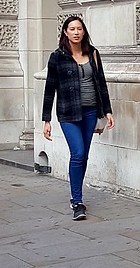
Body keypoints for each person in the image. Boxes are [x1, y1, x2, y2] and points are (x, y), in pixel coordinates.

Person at [42, 15, 114, 219]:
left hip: (91, 111)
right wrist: (46, 119)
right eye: (72, 29)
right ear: (65, 32)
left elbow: (101, 83)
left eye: (79, 29)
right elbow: (49, 89)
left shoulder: (93, 54)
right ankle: (77, 202)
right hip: (68, 112)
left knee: (84, 156)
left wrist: (107, 111)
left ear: (84, 32)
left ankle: (76, 195)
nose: (76, 32)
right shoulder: (57, 57)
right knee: (78, 153)